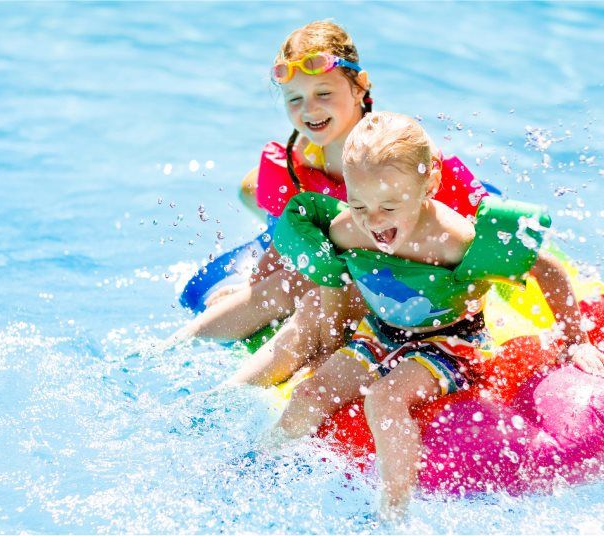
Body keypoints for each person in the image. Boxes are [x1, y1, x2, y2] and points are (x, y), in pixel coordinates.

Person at [270, 112, 604, 520]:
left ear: (428, 185)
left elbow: (547, 269)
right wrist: (334, 340)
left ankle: (392, 512)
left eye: (389, 206)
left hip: (450, 341)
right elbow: (339, 280)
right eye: (359, 202)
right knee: (310, 393)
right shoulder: (347, 229)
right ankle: (263, 465)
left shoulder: (453, 239)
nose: (373, 220)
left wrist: (575, 341)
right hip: (379, 331)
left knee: (385, 399)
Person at [167, 21, 488, 386]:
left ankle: (242, 378)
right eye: (295, 99)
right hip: (338, 260)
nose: (310, 109)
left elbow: (487, 225)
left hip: (392, 280)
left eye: (323, 93)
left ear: (360, 86)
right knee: (280, 258)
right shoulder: (298, 161)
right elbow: (290, 237)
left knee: (303, 290)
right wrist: (251, 284)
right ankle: (171, 351)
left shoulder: (398, 158)